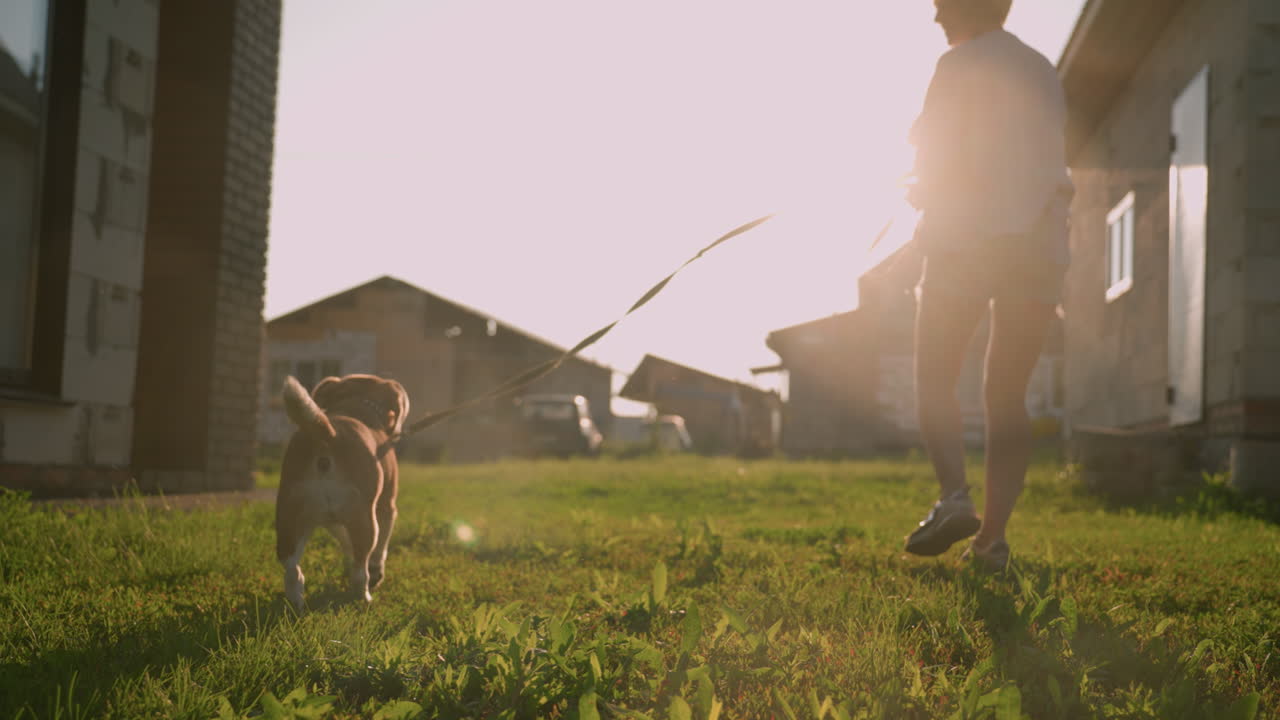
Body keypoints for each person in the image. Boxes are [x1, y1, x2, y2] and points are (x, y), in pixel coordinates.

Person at [900, 0, 1073, 571]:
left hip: (964, 242)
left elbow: (940, 160)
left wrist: (921, 189)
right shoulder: (1041, 68)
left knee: (934, 375)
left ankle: (954, 498)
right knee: (1007, 396)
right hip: (1038, 246)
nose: (934, 19)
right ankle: (991, 543)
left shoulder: (956, 66)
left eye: (940, 5)